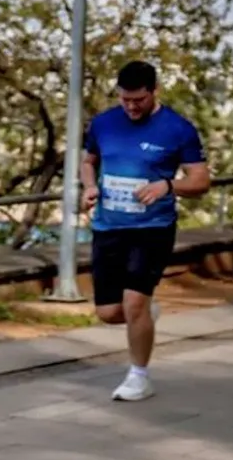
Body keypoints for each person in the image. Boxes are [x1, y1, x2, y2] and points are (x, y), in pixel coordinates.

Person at [79, 59, 210, 402]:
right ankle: (144, 318)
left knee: (134, 301)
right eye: (125, 99)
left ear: (154, 92)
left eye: (138, 100)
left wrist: (168, 186)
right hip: (109, 226)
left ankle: (139, 376)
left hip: (152, 228)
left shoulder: (178, 129)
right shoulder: (103, 124)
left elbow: (200, 180)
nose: (131, 106)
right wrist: (89, 187)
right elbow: (88, 161)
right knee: (109, 313)